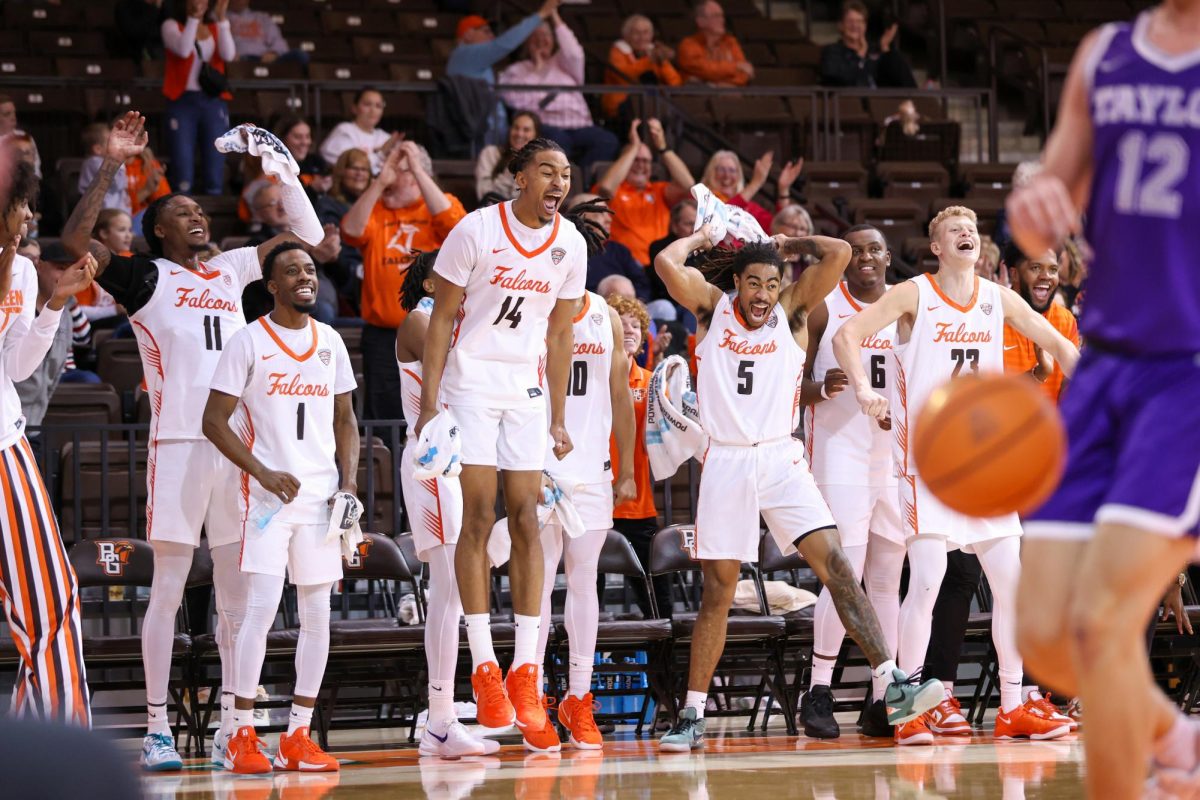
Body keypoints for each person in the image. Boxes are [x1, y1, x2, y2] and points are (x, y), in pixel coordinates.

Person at [62, 111, 326, 770]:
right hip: (180, 446)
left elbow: (312, 236)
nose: (197, 216)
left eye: (199, 210)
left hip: (239, 453)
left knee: (239, 598)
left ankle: (234, 730)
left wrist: (280, 171)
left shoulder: (237, 268)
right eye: (180, 212)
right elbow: (72, 244)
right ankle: (156, 730)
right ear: (157, 230)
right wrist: (112, 167)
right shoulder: (145, 278)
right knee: (171, 589)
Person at [1007, 4, 1200, 796]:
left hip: (1185, 374)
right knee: (1048, 639)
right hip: (1102, 366)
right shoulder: (1104, 55)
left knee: (1103, 619)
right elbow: (1048, 194)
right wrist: (1031, 209)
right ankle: (1173, 734)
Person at [652, 224, 942, 752]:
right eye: (753, 282)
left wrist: (792, 246)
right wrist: (701, 239)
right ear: (737, 282)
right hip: (727, 461)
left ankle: (893, 683)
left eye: (770, 283)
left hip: (782, 458)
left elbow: (840, 253)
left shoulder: (793, 314)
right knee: (717, 593)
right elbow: (666, 264)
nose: (762, 293)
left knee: (838, 569)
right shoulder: (710, 309)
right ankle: (692, 716)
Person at [833, 205, 1078, 745]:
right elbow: (847, 336)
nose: (967, 233)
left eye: (973, 228)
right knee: (925, 582)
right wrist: (864, 388)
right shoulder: (914, 294)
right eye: (954, 230)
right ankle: (909, 705)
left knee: (1013, 586)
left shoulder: (995, 298)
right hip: (928, 462)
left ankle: (1013, 706)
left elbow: (1058, 343)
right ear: (937, 247)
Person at [415, 136, 587, 744]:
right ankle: (484, 664)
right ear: (519, 177)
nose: (559, 182)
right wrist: (430, 403)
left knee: (529, 519)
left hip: (527, 392)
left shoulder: (571, 243)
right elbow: (440, 318)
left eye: (565, 173)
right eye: (547, 171)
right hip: (470, 384)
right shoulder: (475, 230)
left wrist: (560, 416)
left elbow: (561, 335)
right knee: (479, 516)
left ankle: (524, 669)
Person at [201, 242, 357, 774]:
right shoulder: (247, 341)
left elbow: (347, 422)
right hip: (266, 497)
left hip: (320, 499)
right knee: (260, 612)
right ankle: (241, 733)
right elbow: (213, 421)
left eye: (310, 270)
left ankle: (297, 736)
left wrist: (349, 484)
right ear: (271, 285)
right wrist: (262, 471)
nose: (305, 277)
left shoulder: (331, 341)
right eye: (292, 271)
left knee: (319, 617)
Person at [797, 224, 906, 740]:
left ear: (888, 257)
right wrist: (819, 388)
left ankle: (882, 699)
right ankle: (817, 691)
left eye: (874, 249)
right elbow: (788, 382)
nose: (864, 257)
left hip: (893, 453)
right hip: (839, 449)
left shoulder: (907, 308)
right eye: (855, 250)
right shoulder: (824, 307)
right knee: (846, 570)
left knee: (887, 576)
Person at [0, 163, 96, 728]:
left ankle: (58, 750)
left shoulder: (22, 276)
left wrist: (54, 303)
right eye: (22, 205)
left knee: (50, 601)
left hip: (6, 445)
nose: (31, 216)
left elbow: (15, 366)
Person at [395, 252, 502, 759]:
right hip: (434, 461)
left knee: (468, 583)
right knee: (450, 590)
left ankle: (443, 716)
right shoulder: (419, 321)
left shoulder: (459, 321)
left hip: (468, 462)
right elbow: (465, 364)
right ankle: (439, 719)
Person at [530, 270, 636, 752]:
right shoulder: (530, 305)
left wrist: (628, 466)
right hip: (541, 463)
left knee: (584, 581)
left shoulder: (605, 315)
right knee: (538, 583)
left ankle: (577, 697)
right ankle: (531, 697)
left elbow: (620, 393)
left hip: (592, 467)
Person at [340, 142, 466, 421]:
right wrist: (380, 181)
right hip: (382, 332)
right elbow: (350, 230)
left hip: (434, 326)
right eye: (389, 167)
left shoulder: (438, 205)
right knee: (383, 412)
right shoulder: (377, 208)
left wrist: (418, 171)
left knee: (437, 400)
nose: (393, 174)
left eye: (402, 169)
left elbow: (457, 227)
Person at [604, 294, 669, 617]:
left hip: (637, 503)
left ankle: (664, 666)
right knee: (586, 596)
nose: (629, 330)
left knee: (659, 606)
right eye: (621, 323)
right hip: (592, 500)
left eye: (636, 326)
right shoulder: (588, 380)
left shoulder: (653, 383)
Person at [498, 12, 619, 173]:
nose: (542, 40)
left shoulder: (564, 64)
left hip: (579, 124)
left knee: (607, 140)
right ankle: (562, 183)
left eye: (546, 36)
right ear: (528, 42)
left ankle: (582, 178)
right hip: (548, 125)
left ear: (554, 40)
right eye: (537, 36)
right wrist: (538, 69)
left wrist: (554, 16)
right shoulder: (518, 70)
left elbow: (574, 53)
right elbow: (515, 101)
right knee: (559, 143)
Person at [446, 1, 561, 145]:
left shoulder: (473, 59)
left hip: (489, 128)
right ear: (468, 35)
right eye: (486, 31)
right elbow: (504, 43)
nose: (492, 36)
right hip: (480, 132)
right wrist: (541, 14)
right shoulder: (464, 54)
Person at [15, 240, 101, 426]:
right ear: (38, 265)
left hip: (35, 419)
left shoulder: (66, 313)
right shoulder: (16, 305)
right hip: (8, 418)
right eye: (61, 268)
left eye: (74, 270)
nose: (67, 276)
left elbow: (56, 372)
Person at [594, 118, 694, 267]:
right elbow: (606, 188)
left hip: (661, 265)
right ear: (625, 161)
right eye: (636, 159)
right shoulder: (614, 190)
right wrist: (634, 146)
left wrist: (663, 148)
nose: (641, 165)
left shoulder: (658, 190)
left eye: (646, 161)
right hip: (624, 266)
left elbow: (689, 186)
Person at [160, 0, 235, 195]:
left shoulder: (214, 27)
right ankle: (182, 202)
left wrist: (222, 20)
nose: (199, 3)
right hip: (182, 99)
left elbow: (228, 54)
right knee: (182, 159)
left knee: (215, 156)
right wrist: (193, 19)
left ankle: (214, 196)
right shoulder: (171, 26)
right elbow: (183, 50)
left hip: (212, 100)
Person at [1000, 243, 1078, 402]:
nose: (1046, 276)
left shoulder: (1066, 319)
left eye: (1053, 270)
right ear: (1014, 274)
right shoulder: (993, 318)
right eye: (1036, 268)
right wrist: (1038, 374)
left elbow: (1067, 391)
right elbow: (990, 396)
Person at [569, 195, 650, 301]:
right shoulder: (567, 252)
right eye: (601, 213)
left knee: (664, 307)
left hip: (631, 308)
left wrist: (636, 304)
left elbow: (642, 284)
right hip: (589, 311)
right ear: (580, 217)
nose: (609, 219)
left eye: (608, 213)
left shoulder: (619, 250)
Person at [819, 0, 917, 89]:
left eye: (859, 21)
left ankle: (918, 101)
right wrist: (860, 56)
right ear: (841, 25)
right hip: (851, 103)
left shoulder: (873, 51)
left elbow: (890, 78)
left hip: (881, 103)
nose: (855, 26)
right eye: (850, 21)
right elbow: (838, 80)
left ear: (865, 26)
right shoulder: (832, 52)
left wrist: (885, 48)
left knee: (894, 58)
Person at [603, 15, 682, 121]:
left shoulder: (653, 52)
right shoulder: (618, 51)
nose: (642, 37)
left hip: (654, 105)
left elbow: (675, 83)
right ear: (627, 35)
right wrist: (649, 61)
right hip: (624, 106)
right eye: (636, 33)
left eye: (646, 33)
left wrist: (662, 62)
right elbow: (622, 76)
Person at [701, 150, 802, 233]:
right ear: (710, 173)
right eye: (721, 169)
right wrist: (756, 183)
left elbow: (778, 227)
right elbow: (723, 214)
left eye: (732, 170)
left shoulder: (750, 208)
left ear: (739, 175)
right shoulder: (700, 200)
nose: (727, 176)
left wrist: (783, 189)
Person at [318, 89, 396, 173]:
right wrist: (381, 154)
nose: (373, 110)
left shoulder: (385, 137)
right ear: (354, 108)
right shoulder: (344, 130)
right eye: (367, 104)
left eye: (378, 106)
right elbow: (352, 167)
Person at [677, 1, 753, 86]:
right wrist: (735, 67)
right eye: (716, 16)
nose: (722, 20)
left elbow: (745, 73)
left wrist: (719, 85)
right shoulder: (688, 45)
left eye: (722, 16)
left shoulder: (730, 42)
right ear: (701, 21)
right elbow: (704, 70)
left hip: (730, 93)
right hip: (700, 96)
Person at [475, 111, 541, 203]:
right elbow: (484, 194)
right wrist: (510, 168)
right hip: (491, 212)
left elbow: (527, 201)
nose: (519, 134)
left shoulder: (539, 163)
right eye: (516, 128)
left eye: (526, 130)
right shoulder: (490, 153)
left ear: (535, 135)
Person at [226, 0, 307, 64]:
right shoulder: (220, 18)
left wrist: (274, 53)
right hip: (240, 60)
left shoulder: (262, 17)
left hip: (265, 59)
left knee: (300, 55)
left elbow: (278, 40)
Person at [78, 123, 132, 215]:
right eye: (111, 141)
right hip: (105, 215)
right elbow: (117, 183)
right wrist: (121, 159)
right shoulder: (94, 163)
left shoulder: (98, 162)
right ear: (98, 149)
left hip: (116, 214)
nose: (117, 143)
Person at [274, 116, 330, 192]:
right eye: (297, 137)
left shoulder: (317, 162)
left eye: (307, 136)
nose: (304, 142)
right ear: (282, 139)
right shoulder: (274, 166)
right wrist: (312, 189)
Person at [0, 95, 42, 177]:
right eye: (7, 114)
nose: (13, 117)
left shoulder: (24, 139)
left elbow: (35, 172)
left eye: (14, 113)